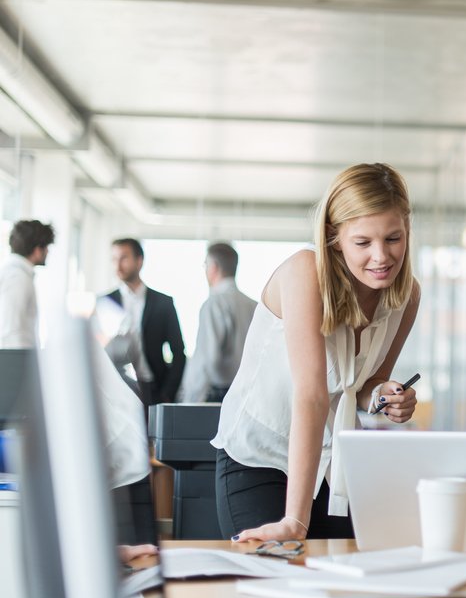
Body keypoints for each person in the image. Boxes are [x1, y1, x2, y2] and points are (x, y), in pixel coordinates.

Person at [213, 163, 421, 543]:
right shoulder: (304, 272)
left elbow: (363, 388)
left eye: (393, 238)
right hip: (262, 457)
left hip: (332, 463)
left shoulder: (406, 296)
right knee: (277, 570)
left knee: (348, 579)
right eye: (363, 243)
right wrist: (296, 519)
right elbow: (310, 395)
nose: (381, 257)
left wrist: (384, 395)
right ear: (334, 237)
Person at [103, 238, 186, 407]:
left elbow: (178, 352)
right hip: (116, 390)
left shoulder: (163, 303)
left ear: (139, 261)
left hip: (153, 389)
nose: (118, 266)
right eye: (114, 259)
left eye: (124, 258)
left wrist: (167, 394)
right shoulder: (105, 302)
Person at [179, 242, 257, 403]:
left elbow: (208, 360)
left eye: (205, 265)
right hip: (249, 394)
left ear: (213, 267)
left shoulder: (213, 304)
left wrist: (190, 401)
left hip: (219, 396)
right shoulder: (254, 306)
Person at [0, 220, 54, 348]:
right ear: (37, 250)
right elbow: (10, 330)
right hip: (16, 361)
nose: (48, 252)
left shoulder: (16, 273)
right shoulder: (18, 277)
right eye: (46, 248)